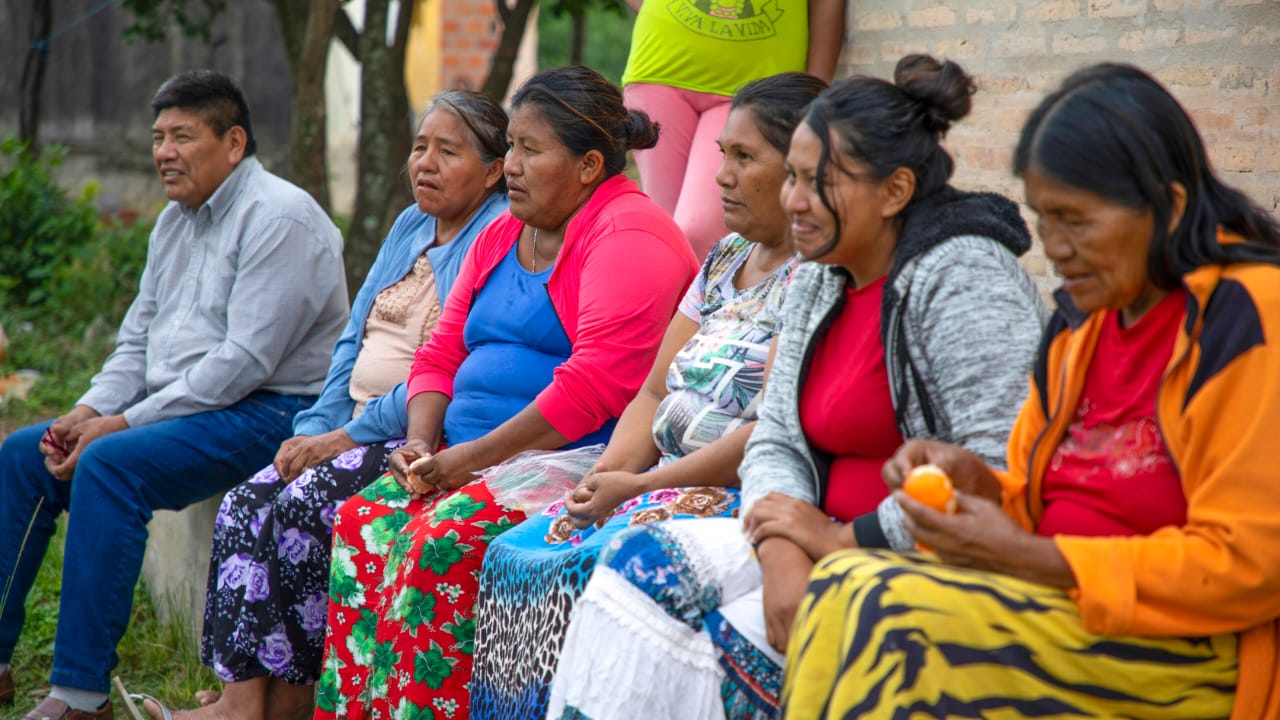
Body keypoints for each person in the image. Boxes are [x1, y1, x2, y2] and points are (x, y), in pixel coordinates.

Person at [547, 55, 1047, 720]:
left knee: (710, 640)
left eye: (816, 182)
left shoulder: (962, 279)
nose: (793, 201)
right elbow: (779, 433)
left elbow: (995, 467)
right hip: (810, 533)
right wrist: (782, 548)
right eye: (794, 179)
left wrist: (842, 543)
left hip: (921, 551)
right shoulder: (820, 273)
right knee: (637, 573)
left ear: (895, 192)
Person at [782, 62, 1280, 720]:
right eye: (1046, 221)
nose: (1056, 248)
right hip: (1061, 609)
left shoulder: (1246, 317)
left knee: (889, 616)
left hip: (1190, 650)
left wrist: (1034, 557)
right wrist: (976, 488)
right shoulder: (1083, 326)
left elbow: (1250, 565)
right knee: (845, 584)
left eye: (1077, 221)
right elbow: (1040, 498)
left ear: (1170, 206)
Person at [313, 65, 699, 720]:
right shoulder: (504, 231)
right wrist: (419, 440)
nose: (511, 166)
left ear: (589, 165)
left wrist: (468, 461)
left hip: (573, 461)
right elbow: (440, 352)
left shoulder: (629, 237)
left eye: (529, 149)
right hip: (467, 455)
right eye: (512, 145)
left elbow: (593, 390)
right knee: (364, 519)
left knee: (439, 540)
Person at [121, 91, 510, 720]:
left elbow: (444, 369)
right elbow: (353, 337)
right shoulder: (411, 222)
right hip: (350, 425)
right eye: (419, 148)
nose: (425, 164)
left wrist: (344, 438)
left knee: (304, 506)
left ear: (494, 170)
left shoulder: (495, 234)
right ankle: (240, 699)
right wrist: (315, 429)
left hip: (412, 433)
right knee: (249, 501)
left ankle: (292, 701)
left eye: (448, 151)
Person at [470, 72, 827, 720]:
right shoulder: (724, 260)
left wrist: (632, 492)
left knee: (598, 564)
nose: (721, 177)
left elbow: (767, 431)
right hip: (650, 474)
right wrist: (606, 477)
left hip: (727, 490)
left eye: (744, 158)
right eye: (723, 156)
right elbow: (654, 389)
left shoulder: (820, 280)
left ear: (805, 169)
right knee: (515, 557)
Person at [0, 70, 348, 720]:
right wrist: (88, 410)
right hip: (193, 407)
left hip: (274, 410)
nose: (164, 152)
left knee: (110, 465)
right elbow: (137, 339)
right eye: (159, 137)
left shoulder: (281, 217)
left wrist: (123, 425)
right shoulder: (173, 222)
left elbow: (243, 363)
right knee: (25, 453)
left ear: (234, 142)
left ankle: (79, 695)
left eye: (183, 136)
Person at [621, 0, 846, 259]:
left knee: (698, 233)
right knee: (660, 236)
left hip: (758, 83)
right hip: (659, 68)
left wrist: (814, 87)